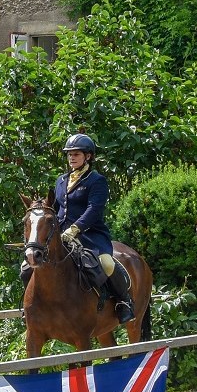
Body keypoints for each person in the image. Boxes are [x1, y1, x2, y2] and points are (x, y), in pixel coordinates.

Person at [45, 133, 133, 322]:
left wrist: (75, 228)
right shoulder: (60, 181)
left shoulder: (96, 180)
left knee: (107, 264)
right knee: (33, 262)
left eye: (76, 154)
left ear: (88, 156)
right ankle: (35, 307)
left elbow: (94, 209)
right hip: (61, 234)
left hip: (90, 234)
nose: (71, 158)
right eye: (69, 154)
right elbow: (56, 209)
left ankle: (123, 301)